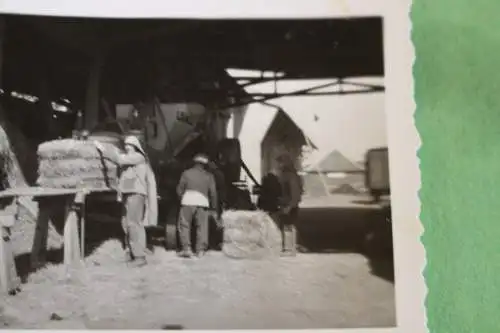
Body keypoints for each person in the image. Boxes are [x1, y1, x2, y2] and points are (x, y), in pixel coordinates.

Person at [94, 135, 158, 267]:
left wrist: (103, 149)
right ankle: (130, 252)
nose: (127, 147)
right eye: (126, 145)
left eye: (129, 145)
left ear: (135, 147)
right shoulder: (130, 159)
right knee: (125, 223)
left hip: (136, 193)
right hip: (127, 193)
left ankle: (140, 257)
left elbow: (119, 159)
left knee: (134, 224)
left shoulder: (138, 157)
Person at [176, 153, 218, 258]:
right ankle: (200, 251)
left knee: (184, 225)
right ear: (205, 165)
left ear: (194, 163)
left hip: (187, 201)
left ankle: (186, 249)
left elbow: (179, 189)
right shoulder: (209, 176)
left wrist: (181, 199)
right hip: (202, 202)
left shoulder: (186, 173)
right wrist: (214, 207)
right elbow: (213, 193)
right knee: (202, 227)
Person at [276, 154, 303, 257]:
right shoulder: (286, 175)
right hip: (286, 204)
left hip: (289, 205)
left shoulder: (290, 176)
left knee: (289, 227)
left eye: (280, 162)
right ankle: (288, 248)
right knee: (285, 226)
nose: (279, 164)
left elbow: (295, 193)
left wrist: (289, 206)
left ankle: (290, 249)